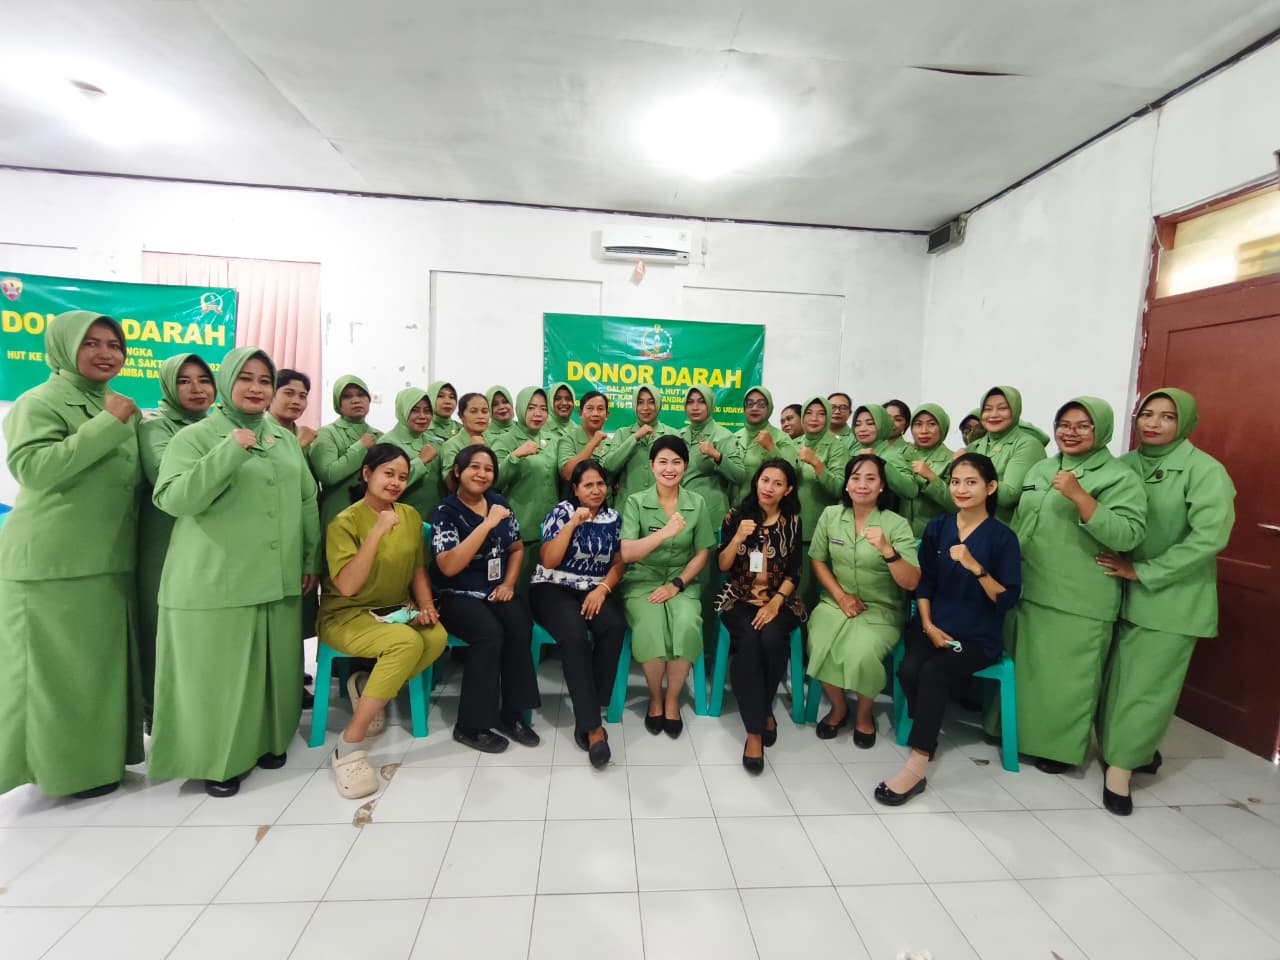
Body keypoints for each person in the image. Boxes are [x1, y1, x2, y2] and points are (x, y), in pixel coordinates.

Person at [149, 346, 320, 797]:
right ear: (226, 382)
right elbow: (174, 499)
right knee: (221, 677)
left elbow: (306, 498)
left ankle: (270, 741)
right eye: (246, 378)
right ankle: (219, 760)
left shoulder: (283, 438)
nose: (256, 388)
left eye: (264, 380)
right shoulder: (197, 437)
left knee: (275, 668)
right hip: (218, 578)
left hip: (278, 574)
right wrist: (228, 451)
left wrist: (309, 559)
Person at [0, 311, 143, 799]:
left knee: (93, 674)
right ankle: (55, 773)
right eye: (91, 343)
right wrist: (109, 423)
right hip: (51, 564)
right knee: (51, 676)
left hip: (106, 560)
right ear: (63, 347)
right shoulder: (38, 402)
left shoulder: (115, 404)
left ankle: (94, 766)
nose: (106, 353)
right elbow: (34, 469)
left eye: (114, 344)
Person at [1095, 389, 1235, 815]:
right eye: (1147, 414)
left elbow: (1209, 537)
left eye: (1167, 416)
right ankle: (1131, 749)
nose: (1153, 423)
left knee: (1146, 689)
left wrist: (1144, 571)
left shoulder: (1204, 471)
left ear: (1185, 422)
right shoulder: (1123, 465)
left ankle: (1120, 772)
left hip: (1172, 599)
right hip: (1118, 591)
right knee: (1114, 683)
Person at [1009, 396, 1146, 774]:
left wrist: (1080, 497)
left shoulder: (1119, 477)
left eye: (1083, 426)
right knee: (1029, 673)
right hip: (1031, 586)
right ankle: (1015, 735)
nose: (1071, 432)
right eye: (1064, 424)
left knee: (1069, 679)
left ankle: (1059, 749)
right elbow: (1022, 521)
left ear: (1101, 430)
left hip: (1079, 596)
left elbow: (1128, 534)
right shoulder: (1041, 468)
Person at [876, 454, 1021, 806]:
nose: (961, 489)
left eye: (971, 482)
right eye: (955, 481)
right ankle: (927, 721)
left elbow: (1006, 599)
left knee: (934, 673)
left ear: (991, 487)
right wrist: (928, 625)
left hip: (976, 637)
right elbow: (924, 583)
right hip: (933, 624)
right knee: (909, 670)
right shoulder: (938, 527)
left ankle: (917, 763)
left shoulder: (1003, 538)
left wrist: (975, 567)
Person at [320, 444, 447, 798]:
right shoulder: (344, 522)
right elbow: (347, 586)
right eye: (388, 474)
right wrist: (376, 532)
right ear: (367, 474)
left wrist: (426, 606)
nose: (395, 483)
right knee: (405, 643)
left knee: (435, 637)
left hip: (394, 609)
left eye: (402, 477)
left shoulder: (408, 515)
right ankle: (349, 743)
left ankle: (368, 691)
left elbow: (418, 569)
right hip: (347, 614)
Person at [431, 445, 541, 752]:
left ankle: (512, 714)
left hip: (494, 588)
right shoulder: (445, 512)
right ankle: (470, 725)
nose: (482, 474)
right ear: (458, 471)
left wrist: (509, 583)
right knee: (489, 634)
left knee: (519, 624)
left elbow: (516, 548)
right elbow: (449, 566)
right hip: (457, 593)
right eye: (474, 467)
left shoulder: (499, 503)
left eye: (488, 469)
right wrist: (487, 524)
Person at [806, 455, 920, 747]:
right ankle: (839, 707)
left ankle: (864, 714)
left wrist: (887, 550)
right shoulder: (831, 515)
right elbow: (817, 560)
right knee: (820, 643)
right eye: (855, 478)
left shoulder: (896, 524)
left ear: (882, 486)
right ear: (846, 484)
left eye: (871, 478)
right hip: (836, 602)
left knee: (861, 653)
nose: (862, 485)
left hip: (882, 609)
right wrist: (841, 596)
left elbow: (911, 582)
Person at [530, 461, 626, 768]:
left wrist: (603, 590)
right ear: (575, 489)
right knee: (574, 638)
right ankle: (593, 728)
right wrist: (572, 523)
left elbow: (619, 563)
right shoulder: (562, 511)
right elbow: (548, 560)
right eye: (588, 485)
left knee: (614, 627)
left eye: (600, 484)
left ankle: (588, 708)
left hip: (593, 588)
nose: (596, 490)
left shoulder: (614, 518)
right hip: (552, 586)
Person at [137, 354, 216, 727]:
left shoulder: (218, 424)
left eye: (204, 379)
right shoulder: (155, 426)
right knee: (161, 631)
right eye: (184, 381)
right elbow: (167, 480)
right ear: (169, 385)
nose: (197, 389)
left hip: (209, 542)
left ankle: (198, 713)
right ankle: (159, 715)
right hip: (164, 544)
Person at [620, 435, 717, 738]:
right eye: (662, 461)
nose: (669, 468)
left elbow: (702, 552)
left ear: (685, 466)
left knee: (686, 624)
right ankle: (655, 697)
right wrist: (665, 532)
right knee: (650, 626)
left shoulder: (696, 503)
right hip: (643, 580)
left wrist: (678, 584)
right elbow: (627, 553)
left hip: (682, 580)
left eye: (676, 462)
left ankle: (672, 699)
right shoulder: (636, 502)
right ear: (651, 465)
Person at [716, 460, 807, 773]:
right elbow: (723, 565)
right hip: (738, 599)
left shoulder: (792, 522)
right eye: (765, 480)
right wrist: (737, 539)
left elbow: (795, 572)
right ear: (756, 482)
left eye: (777, 483)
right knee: (750, 643)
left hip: (780, 599)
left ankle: (762, 708)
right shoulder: (736, 516)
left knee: (772, 639)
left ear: (788, 490)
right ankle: (755, 731)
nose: (769, 488)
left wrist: (775, 603)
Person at [679, 386, 745, 652]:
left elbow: (739, 474)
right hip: (680, 518)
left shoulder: (723, 436)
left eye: (701, 402)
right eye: (690, 402)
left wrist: (717, 455)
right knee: (683, 580)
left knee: (708, 587)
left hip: (712, 517)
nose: (695, 407)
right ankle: (682, 645)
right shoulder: (679, 436)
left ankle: (707, 650)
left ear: (710, 405)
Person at [491, 387, 560, 590]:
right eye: (531, 408)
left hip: (551, 529)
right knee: (519, 589)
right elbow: (492, 481)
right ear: (520, 408)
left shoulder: (553, 441)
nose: (538, 414)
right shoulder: (505, 440)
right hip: (521, 529)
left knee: (547, 591)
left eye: (543, 408)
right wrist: (515, 456)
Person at [795, 396, 850, 608]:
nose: (814, 418)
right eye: (809, 413)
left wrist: (816, 463)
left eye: (821, 413)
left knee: (808, 594)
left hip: (816, 529)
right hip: (789, 528)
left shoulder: (836, 448)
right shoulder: (794, 443)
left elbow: (839, 488)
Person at [310, 375, 383, 536]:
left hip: (373, 514)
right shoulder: (327, 434)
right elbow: (328, 475)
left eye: (361, 395)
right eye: (347, 396)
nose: (356, 400)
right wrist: (360, 447)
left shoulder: (379, 436)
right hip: (338, 512)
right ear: (338, 403)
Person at [966, 386, 1048, 523]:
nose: (993, 414)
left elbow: (1009, 496)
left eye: (1002, 408)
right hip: (974, 526)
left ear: (1015, 411)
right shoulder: (974, 446)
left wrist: (971, 471)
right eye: (987, 409)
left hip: (1008, 528)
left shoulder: (1027, 444)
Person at [600, 385, 676, 507]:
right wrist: (635, 437)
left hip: (662, 507)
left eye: (651, 402)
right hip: (627, 507)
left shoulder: (671, 434)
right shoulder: (622, 433)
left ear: (658, 404)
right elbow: (610, 466)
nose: (645, 408)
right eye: (640, 402)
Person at [381, 387, 442, 522]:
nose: (422, 416)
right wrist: (421, 461)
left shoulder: (435, 442)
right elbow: (385, 485)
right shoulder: (388, 442)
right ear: (403, 410)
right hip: (400, 520)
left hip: (434, 519)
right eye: (415, 410)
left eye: (427, 411)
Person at [900, 403, 958, 537]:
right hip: (901, 535)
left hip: (937, 535)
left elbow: (956, 505)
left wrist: (932, 478)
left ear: (942, 427)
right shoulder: (902, 454)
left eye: (932, 424)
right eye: (918, 424)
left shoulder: (953, 460)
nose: (924, 431)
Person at [733, 385, 797, 502]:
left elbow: (791, 474)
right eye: (750, 403)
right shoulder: (735, 437)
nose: (755, 408)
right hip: (736, 506)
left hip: (767, 506)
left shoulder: (782, 438)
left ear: (769, 407)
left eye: (761, 404)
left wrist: (771, 447)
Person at [850, 403, 916, 499]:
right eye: (857, 424)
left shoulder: (891, 454)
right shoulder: (855, 453)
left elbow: (911, 490)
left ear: (883, 425)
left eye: (870, 423)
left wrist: (879, 463)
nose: (862, 429)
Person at [440, 392, 492, 490]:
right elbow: (451, 485)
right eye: (474, 411)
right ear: (461, 416)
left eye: (485, 411)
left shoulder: (491, 441)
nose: (481, 416)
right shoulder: (451, 445)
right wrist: (471, 451)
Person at [557, 390, 610, 484]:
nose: (595, 413)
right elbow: (567, 474)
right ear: (580, 413)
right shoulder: (568, 439)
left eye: (600, 409)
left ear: (607, 415)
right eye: (590, 408)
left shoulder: (611, 442)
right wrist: (593, 442)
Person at [268, 368, 317, 451]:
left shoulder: (305, 434)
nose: (296, 401)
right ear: (270, 394)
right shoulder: (258, 430)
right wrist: (298, 444)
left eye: (302, 396)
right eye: (289, 393)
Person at [423, 381, 461, 447]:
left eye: (452, 397)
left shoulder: (462, 429)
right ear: (430, 399)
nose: (448, 401)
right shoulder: (421, 428)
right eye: (440, 396)